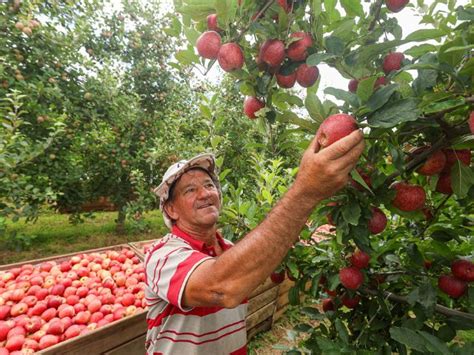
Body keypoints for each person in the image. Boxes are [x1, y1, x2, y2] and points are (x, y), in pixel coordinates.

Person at [145, 130, 365, 354]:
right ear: (171, 209)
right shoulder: (162, 256)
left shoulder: (230, 249)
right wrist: (306, 191)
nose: (205, 194)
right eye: (190, 190)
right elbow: (221, 289)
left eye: (209, 185)